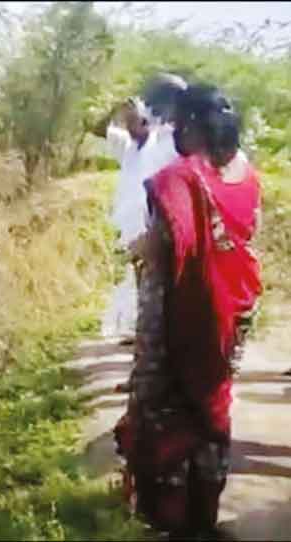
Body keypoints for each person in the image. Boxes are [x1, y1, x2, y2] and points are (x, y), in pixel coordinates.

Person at [114, 85, 262, 538]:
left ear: (194, 124)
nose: (175, 131)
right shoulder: (248, 175)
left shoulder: (179, 178)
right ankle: (204, 515)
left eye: (179, 123)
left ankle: (170, 519)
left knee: (164, 409)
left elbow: (169, 247)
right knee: (212, 407)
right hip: (231, 314)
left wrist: (139, 248)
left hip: (182, 312)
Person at [93, 75, 187, 346]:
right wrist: (116, 108)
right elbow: (99, 129)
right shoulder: (128, 146)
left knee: (155, 280)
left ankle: (153, 336)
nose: (128, 124)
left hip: (155, 223)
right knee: (138, 278)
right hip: (131, 225)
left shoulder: (164, 143)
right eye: (126, 121)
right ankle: (141, 332)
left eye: (133, 118)